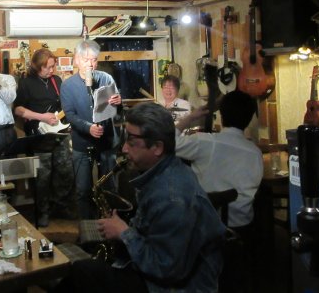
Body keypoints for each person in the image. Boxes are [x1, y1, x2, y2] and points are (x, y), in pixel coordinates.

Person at [58, 102, 225, 292]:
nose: (124, 149)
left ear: (157, 147)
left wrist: (124, 233)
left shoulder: (171, 197)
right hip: (158, 275)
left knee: (82, 272)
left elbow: (166, 269)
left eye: (131, 142)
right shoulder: (165, 172)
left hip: (172, 286)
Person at [174, 90, 262, 231]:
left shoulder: (206, 142)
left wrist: (191, 117)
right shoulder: (256, 153)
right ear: (250, 118)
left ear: (221, 115)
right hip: (243, 226)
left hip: (208, 226)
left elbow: (168, 142)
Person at [13, 48, 75, 226]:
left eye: (53, 66)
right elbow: (18, 109)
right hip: (39, 136)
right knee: (42, 178)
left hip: (60, 133)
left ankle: (61, 207)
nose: (51, 70)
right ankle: (43, 212)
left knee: (65, 172)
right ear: (37, 66)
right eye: (48, 67)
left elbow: (63, 106)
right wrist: (41, 117)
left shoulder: (57, 81)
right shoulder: (26, 83)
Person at [60, 39, 121, 219]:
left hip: (107, 140)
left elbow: (117, 112)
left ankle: (112, 224)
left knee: (109, 186)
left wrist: (118, 103)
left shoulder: (106, 79)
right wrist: (88, 128)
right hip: (82, 142)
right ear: (77, 60)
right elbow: (70, 115)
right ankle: (87, 226)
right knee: (83, 189)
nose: (90, 64)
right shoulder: (68, 85)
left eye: (94, 60)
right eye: (86, 60)